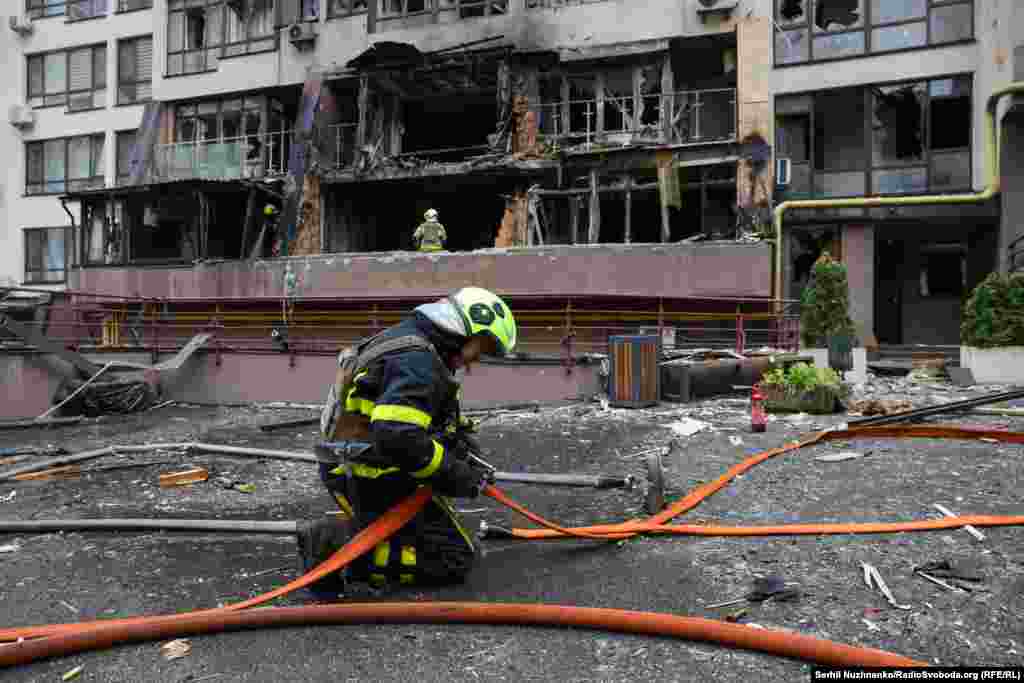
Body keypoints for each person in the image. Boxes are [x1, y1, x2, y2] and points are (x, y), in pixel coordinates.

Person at [297, 286, 517, 598]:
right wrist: (456, 476)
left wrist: (462, 450)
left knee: (440, 540)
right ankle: (334, 547)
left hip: (358, 465)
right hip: (369, 476)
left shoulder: (413, 342)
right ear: (468, 329)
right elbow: (398, 436)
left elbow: (415, 418)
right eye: (482, 348)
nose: (476, 359)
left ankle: (355, 538)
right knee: (452, 558)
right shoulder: (418, 361)